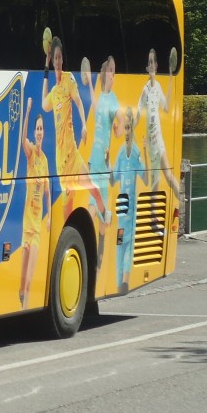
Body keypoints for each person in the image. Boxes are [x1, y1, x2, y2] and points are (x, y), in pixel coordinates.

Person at [42, 36, 107, 227]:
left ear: (63, 59)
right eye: (55, 58)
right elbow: (43, 104)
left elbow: (79, 102)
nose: (58, 62)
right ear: (52, 61)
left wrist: (85, 125)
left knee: (93, 187)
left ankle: (105, 215)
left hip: (72, 153)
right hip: (61, 161)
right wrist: (45, 70)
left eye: (60, 57)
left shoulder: (69, 79)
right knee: (66, 207)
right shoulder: (53, 92)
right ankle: (68, 233)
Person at [86, 56, 121, 267]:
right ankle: (95, 253)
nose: (112, 74)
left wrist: (117, 131)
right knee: (93, 206)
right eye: (109, 70)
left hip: (103, 162)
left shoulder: (114, 99)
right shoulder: (102, 97)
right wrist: (90, 83)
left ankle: (98, 252)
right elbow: (96, 104)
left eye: (114, 71)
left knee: (99, 210)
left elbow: (121, 121)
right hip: (94, 158)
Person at [111, 108, 147, 293]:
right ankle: (123, 281)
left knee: (121, 244)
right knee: (126, 244)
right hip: (127, 206)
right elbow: (146, 178)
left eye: (126, 128)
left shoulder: (124, 152)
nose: (126, 132)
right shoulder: (134, 152)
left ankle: (120, 282)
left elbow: (113, 179)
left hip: (122, 207)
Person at [137, 48, 182, 200]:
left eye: (152, 62)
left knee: (168, 175)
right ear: (147, 67)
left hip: (158, 139)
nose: (150, 65)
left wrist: (170, 79)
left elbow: (167, 107)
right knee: (155, 183)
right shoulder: (145, 90)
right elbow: (138, 113)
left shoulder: (158, 88)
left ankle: (183, 202)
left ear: (156, 65)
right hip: (150, 143)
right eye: (148, 63)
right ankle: (154, 217)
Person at [20, 97, 51, 309]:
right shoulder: (31, 154)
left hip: (37, 229)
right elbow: (22, 139)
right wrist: (28, 111)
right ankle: (22, 296)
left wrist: (48, 216)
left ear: (44, 133)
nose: (39, 132)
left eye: (41, 129)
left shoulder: (45, 160)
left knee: (30, 281)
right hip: (26, 228)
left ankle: (26, 310)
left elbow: (49, 190)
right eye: (36, 129)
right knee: (22, 283)